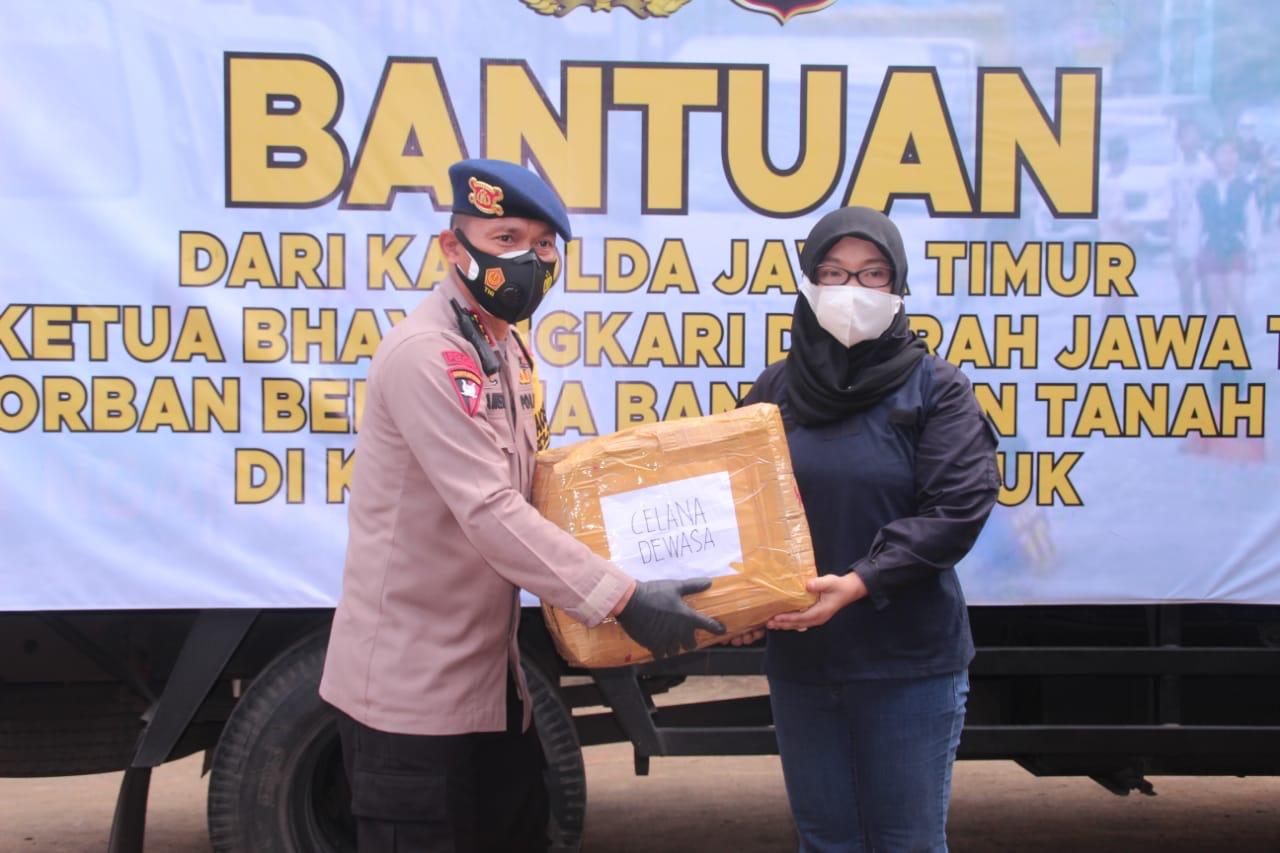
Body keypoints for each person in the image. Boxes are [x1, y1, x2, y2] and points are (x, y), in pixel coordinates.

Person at [319, 159, 724, 853]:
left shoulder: (501, 348)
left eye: (541, 245)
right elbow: (489, 511)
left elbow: (536, 482)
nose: (529, 259)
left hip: (492, 685)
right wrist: (623, 596)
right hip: (412, 702)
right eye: (505, 237)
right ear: (454, 248)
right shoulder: (429, 354)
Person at [739, 207, 999, 852]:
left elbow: (956, 509)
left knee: (905, 842)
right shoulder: (777, 389)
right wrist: (735, 596)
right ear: (808, 283)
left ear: (898, 286)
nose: (852, 290)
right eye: (833, 272)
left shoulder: (936, 389)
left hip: (907, 662)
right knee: (826, 840)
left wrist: (860, 581)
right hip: (803, 661)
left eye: (872, 274)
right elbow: (739, 505)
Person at [1169, 118, 1213, 314]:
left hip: (1207, 234)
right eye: (1186, 135)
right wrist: (1173, 244)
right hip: (1184, 233)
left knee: (1208, 289)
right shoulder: (1173, 172)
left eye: (1195, 135)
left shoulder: (1209, 168)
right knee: (1186, 288)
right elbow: (1172, 208)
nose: (1191, 140)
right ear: (1179, 140)